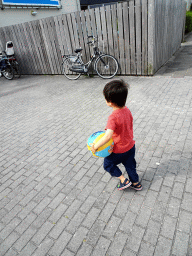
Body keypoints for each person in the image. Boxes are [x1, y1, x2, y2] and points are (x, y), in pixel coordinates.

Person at [91, 79, 142, 191]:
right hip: (130, 146)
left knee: (108, 165)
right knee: (130, 166)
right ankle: (136, 183)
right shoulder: (127, 110)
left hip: (118, 150)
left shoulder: (113, 117)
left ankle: (123, 180)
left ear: (110, 101)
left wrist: (95, 146)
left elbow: (107, 136)